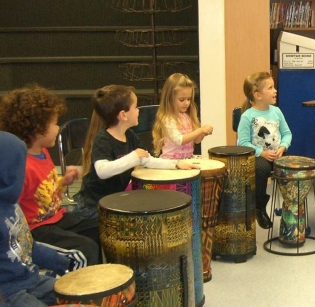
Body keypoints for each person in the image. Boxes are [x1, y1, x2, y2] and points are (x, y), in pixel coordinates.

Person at [0, 85, 101, 265]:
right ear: (38, 129)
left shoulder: (43, 152)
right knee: (86, 248)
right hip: (37, 229)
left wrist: (63, 181)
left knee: (101, 229)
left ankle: (106, 281)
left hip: (57, 216)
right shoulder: (23, 167)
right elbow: (13, 209)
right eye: (54, 124)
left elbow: (42, 194)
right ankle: (83, 290)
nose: (58, 128)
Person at [73, 85, 198, 220]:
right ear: (123, 115)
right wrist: (133, 157)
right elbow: (102, 171)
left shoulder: (130, 136)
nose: (138, 111)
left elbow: (147, 159)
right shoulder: (103, 139)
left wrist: (177, 164)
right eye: (135, 107)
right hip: (92, 207)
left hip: (112, 202)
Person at [0, 131, 84, 307]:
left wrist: (63, 261)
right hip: (8, 293)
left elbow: (26, 245)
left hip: (31, 279)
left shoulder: (11, 206)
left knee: (83, 295)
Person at [237, 71, 292, 229]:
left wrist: (283, 147)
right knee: (260, 169)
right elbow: (244, 143)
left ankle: (292, 208)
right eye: (270, 88)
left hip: (278, 153)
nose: (275, 90)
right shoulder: (248, 116)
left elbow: (287, 134)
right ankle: (260, 207)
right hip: (259, 156)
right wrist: (262, 153)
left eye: (274, 87)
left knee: (293, 168)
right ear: (257, 95)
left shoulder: (277, 111)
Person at [152, 73, 213, 159]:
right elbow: (179, 140)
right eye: (182, 100)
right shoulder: (168, 119)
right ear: (169, 99)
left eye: (188, 99)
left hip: (186, 161)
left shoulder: (187, 116)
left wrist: (203, 133)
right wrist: (200, 130)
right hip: (171, 162)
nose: (187, 103)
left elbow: (196, 140)